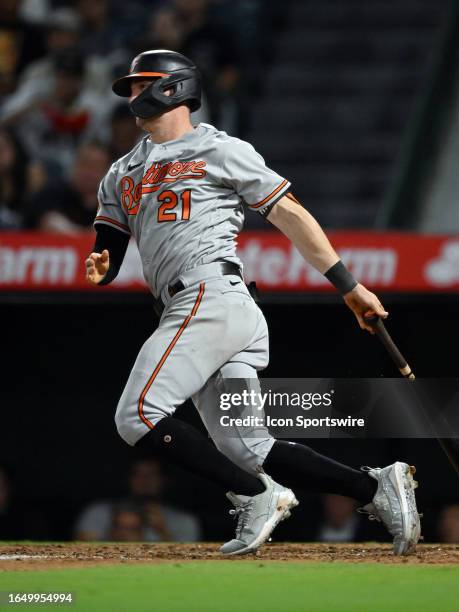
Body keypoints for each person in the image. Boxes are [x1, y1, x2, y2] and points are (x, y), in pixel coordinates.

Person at [85, 49, 421, 556]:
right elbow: (108, 244)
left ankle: (257, 495)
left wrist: (348, 284)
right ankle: (376, 489)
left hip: (210, 297)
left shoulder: (219, 149)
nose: (132, 94)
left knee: (136, 416)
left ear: (174, 87)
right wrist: (101, 266)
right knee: (248, 448)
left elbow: (290, 213)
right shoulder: (122, 171)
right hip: (204, 310)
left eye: (140, 84)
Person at [74, 458, 201, 542]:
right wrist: (116, 533)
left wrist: (163, 532)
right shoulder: (98, 511)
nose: (144, 480)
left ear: (164, 480)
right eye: (137, 474)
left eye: (151, 475)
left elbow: (190, 562)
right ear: (128, 478)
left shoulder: (184, 520)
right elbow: (79, 550)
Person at [26, 141, 110, 232]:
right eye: (85, 164)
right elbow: (48, 221)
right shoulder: (51, 193)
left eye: (97, 166)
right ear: (74, 164)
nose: (89, 172)